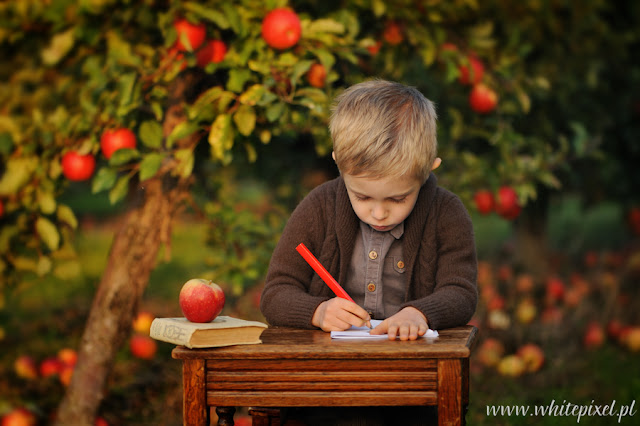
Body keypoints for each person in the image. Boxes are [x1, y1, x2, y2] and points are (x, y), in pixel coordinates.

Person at [260, 79, 477, 341]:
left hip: (413, 360)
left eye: (397, 199)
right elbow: (275, 293)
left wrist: (420, 313)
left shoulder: (446, 213)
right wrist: (318, 312)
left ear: (429, 168)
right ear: (338, 163)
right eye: (362, 196)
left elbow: (461, 293)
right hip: (330, 362)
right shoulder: (318, 208)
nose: (378, 213)